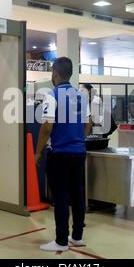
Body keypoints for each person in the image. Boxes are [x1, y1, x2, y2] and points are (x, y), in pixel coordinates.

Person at [35, 57, 92, 252]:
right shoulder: (81, 96)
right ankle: (76, 236)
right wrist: (78, 140)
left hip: (59, 153)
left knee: (60, 196)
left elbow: (46, 127)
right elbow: (89, 124)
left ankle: (61, 240)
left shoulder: (52, 95)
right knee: (76, 194)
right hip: (79, 152)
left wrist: (38, 152)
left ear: (55, 74)